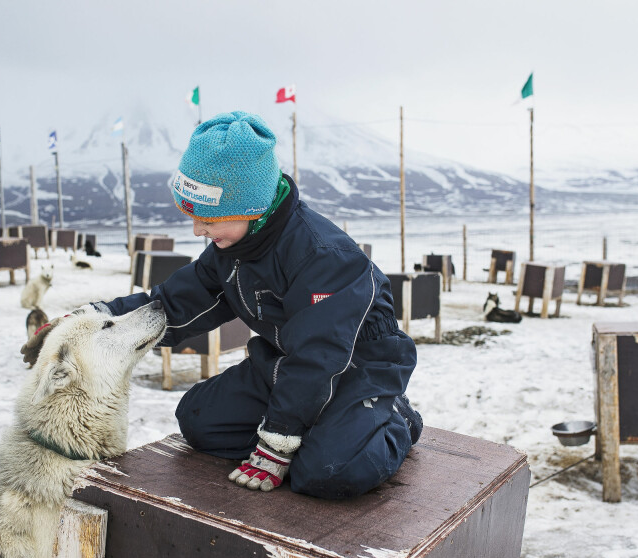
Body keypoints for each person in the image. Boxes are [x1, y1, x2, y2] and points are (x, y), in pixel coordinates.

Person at [97, 111, 421, 499]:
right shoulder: (233, 246)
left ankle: (394, 418)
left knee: (329, 472)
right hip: (287, 362)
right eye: (191, 216)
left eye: (209, 218)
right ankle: (322, 426)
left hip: (359, 366)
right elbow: (176, 303)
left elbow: (320, 356)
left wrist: (279, 442)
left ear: (250, 208)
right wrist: (99, 321)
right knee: (198, 420)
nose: (198, 230)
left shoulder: (323, 255)